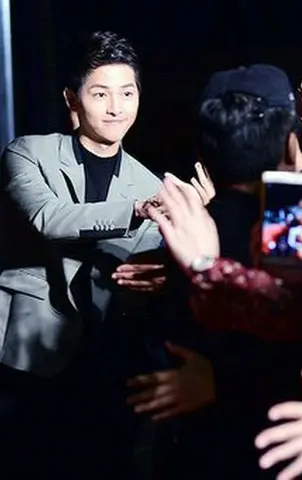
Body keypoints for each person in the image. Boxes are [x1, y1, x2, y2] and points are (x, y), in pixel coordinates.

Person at [0, 30, 163, 478]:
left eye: (127, 93)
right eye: (101, 93)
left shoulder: (150, 185)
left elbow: (141, 271)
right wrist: (135, 212)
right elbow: (47, 218)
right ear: (73, 99)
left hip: (109, 360)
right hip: (29, 356)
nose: (116, 107)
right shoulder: (28, 153)